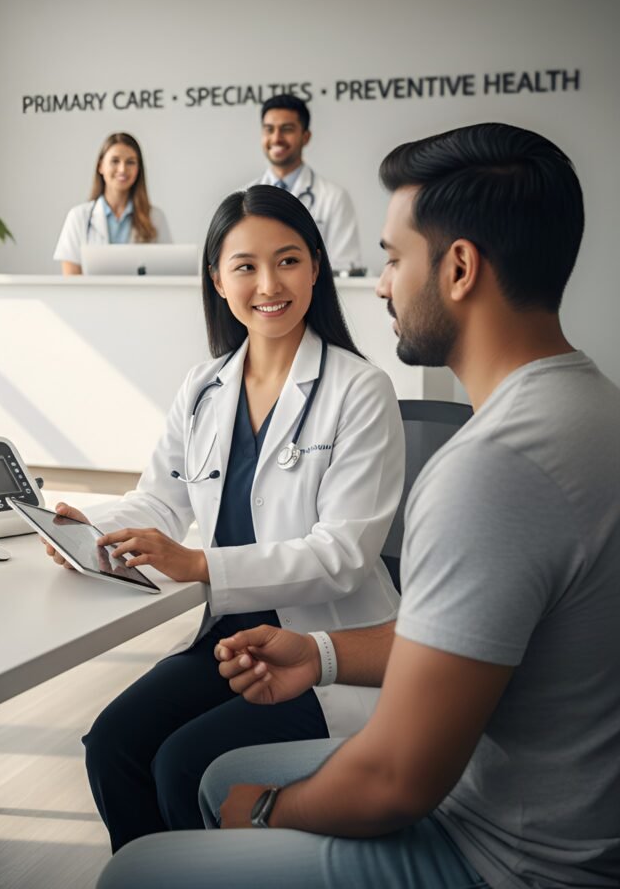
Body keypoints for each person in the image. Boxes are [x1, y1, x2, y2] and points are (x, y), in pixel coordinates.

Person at [97, 123, 620, 889]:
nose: (380, 283)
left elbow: (398, 780)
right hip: (501, 791)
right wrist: (323, 654)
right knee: (146, 752)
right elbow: (477, 632)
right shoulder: (589, 409)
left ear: (460, 269)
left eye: (392, 257)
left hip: (500, 851)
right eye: (245, 266)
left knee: (138, 867)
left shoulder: (487, 465)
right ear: (217, 277)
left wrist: (269, 808)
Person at [44, 184, 405, 853]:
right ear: (216, 278)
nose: (268, 283)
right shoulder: (204, 387)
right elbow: (162, 499)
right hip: (233, 633)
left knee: (185, 763)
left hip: (324, 649)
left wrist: (200, 564)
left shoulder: (359, 390)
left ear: (317, 265)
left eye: (288, 260)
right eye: (245, 266)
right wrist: (81, 523)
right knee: (113, 745)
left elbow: (343, 554)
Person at [250, 94, 361, 274]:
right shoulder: (244, 196)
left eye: (286, 129)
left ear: (306, 137)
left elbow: (344, 269)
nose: (276, 138)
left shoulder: (333, 198)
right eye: (269, 129)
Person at [54, 132, 172, 275]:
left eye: (130, 162)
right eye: (115, 161)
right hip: (92, 298)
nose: (122, 169)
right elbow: (71, 279)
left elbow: (167, 274)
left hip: (139, 298)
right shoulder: (79, 217)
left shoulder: (155, 217)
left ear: (138, 169)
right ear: (100, 166)